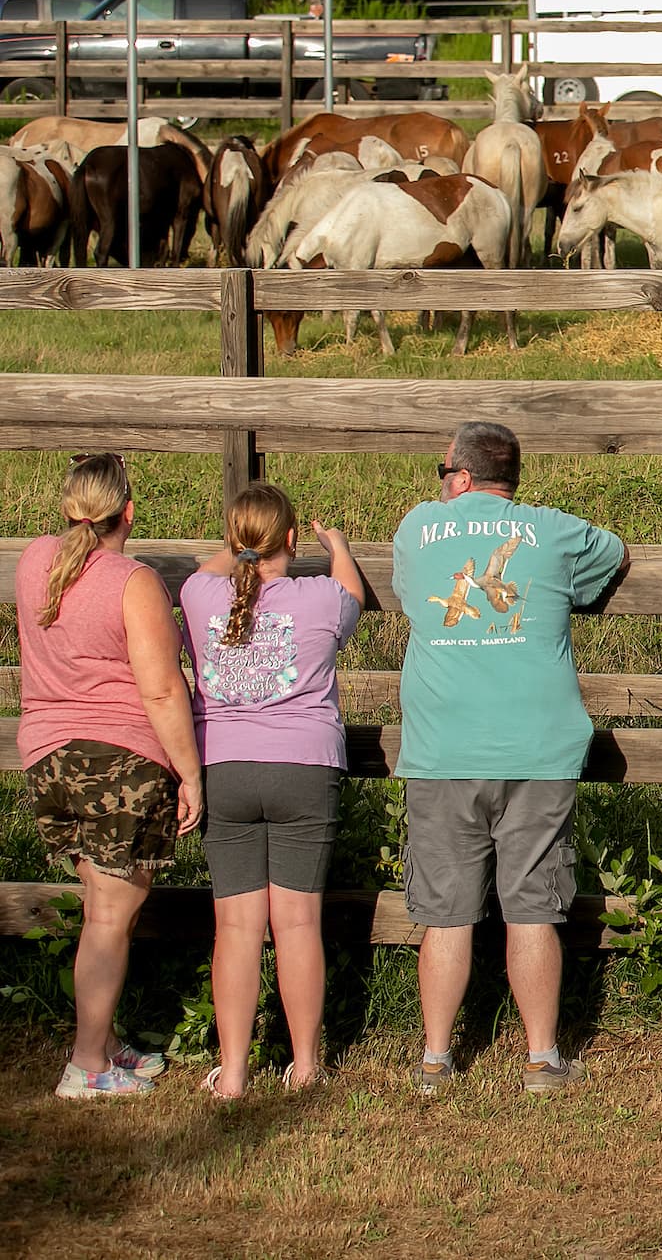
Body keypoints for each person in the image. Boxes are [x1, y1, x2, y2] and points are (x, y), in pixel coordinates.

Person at [394, 421, 628, 1097]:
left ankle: (436, 1059)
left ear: (460, 476)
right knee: (532, 906)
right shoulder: (553, 529)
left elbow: (413, 595)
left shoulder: (417, 528)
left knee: (444, 910)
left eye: (442, 472)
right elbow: (614, 554)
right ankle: (541, 1057)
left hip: (442, 747)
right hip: (536, 747)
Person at [14, 451, 203, 1099]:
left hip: (47, 755)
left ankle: (102, 1040)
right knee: (109, 917)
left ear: (69, 505)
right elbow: (160, 690)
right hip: (117, 759)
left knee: (100, 905)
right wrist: (190, 773)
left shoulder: (34, 559)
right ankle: (87, 1063)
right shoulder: (134, 581)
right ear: (129, 511)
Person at [181, 482, 365, 1099]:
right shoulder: (319, 597)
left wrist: (237, 549)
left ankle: (232, 1072)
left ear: (235, 541)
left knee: (234, 928)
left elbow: (204, 570)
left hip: (224, 768)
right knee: (297, 924)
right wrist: (335, 542)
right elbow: (352, 591)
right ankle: (306, 1064)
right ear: (291, 539)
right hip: (304, 769)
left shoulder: (203, 594)